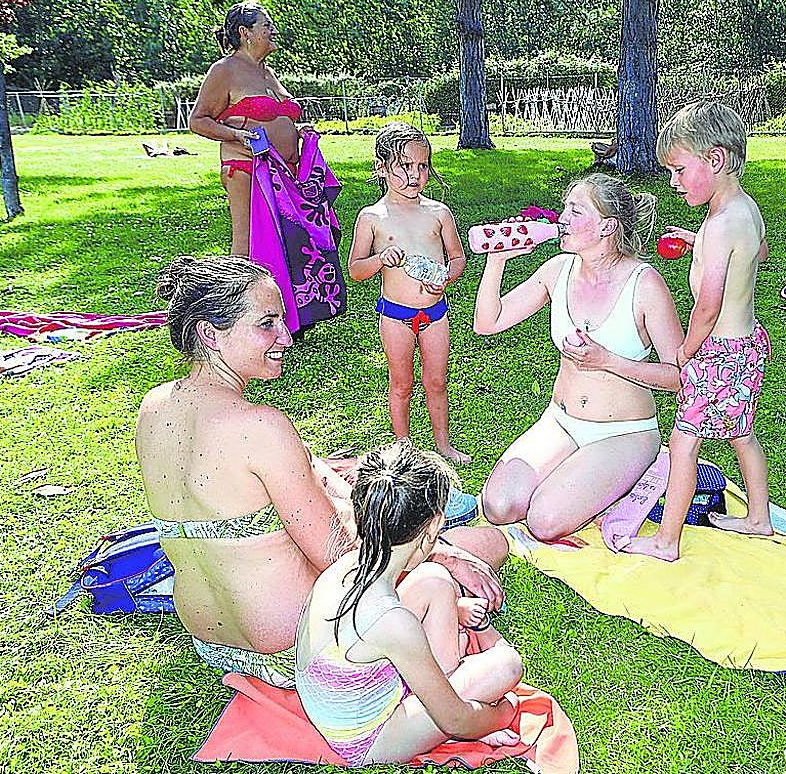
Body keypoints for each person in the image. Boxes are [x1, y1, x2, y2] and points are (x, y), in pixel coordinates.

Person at [137, 255, 508, 689]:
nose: (286, 338)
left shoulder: (155, 407)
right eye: (266, 324)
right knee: (485, 543)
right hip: (299, 649)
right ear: (210, 334)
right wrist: (439, 552)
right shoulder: (259, 427)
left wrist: (333, 482)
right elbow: (343, 559)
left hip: (211, 641)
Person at [474, 174, 685, 541]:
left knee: (544, 521)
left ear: (607, 227)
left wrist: (608, 361)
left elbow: (681, 377)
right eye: (565, 209)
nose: (562, 219)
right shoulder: (558, 270)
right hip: (561, 422)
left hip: (623, 432)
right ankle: (585, 479)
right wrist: (497, 260)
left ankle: (646, 466)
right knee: (499, 506)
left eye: (575, 211)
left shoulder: (644, 283)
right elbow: (487, 323)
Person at [297, 441, 523, 765]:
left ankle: (445, 686)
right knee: (507, 666)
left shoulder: (342, 569)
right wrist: (503, 712)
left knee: (434, 577)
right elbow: (455, 719)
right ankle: (450, 698)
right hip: (369, 740)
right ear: (433, 527)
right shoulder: (390, 620)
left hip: (346, 700)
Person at [623, 101, 773, 562]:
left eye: (679, 169)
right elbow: (759, 253)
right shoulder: (744, 209)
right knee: (741, 433)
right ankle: (759, 519)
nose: (673, 181)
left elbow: (707, 306)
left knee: (683, 443)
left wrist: (685, 351)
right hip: (747, 344)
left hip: (718, 352)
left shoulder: (720, 224)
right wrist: (700, 244)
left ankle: (667, 542)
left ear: (716, 159)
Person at [348, 122, 470, 465]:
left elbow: (457, 257)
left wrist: (446, 277)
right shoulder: (372, 217)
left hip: (435, 314)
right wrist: (379, 259)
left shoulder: (438, 213)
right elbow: (356, 270)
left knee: (437, 381)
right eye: (405, 165)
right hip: (396, 317)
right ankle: (403, 449)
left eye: (423, 165)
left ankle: (443, 444)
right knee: (401, 384)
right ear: (382, 168)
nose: (415, 174)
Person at [189, 1, 302, 257]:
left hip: (283, 171)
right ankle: (237, 296)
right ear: (245, 32)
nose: (273, 31)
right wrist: (236, 136)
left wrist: (297, 129)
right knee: (247, 244)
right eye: (266, 25)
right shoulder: (223, 71)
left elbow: (279, 115)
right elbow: (198, 120)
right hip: (245, 168)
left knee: (286, 244)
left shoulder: (267, 72)